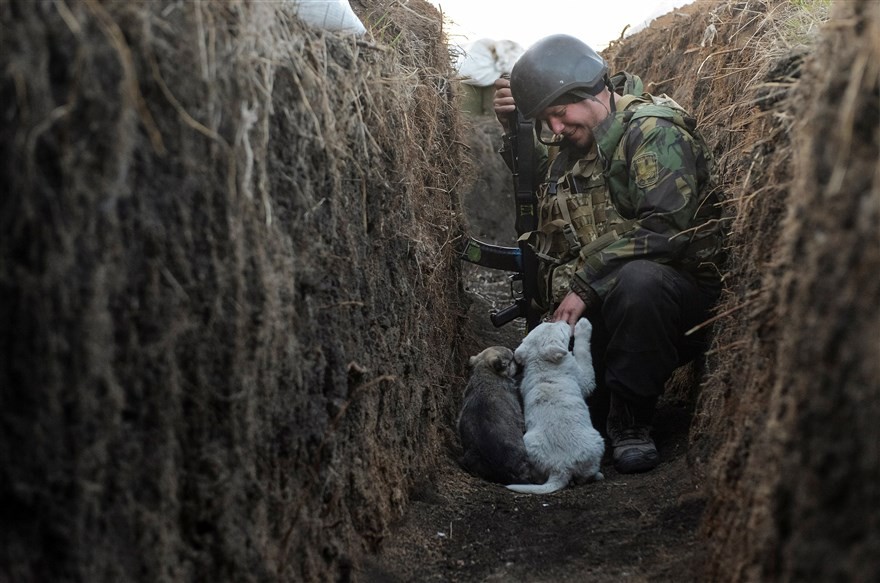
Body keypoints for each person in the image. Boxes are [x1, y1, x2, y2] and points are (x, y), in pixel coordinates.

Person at [492, 34, 725, 474]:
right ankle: (606, 403)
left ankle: (632, 423)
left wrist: (584, 285)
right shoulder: (580, 144)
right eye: (548, 121)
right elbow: (549, 194)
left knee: (641, 281)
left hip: (671, 305)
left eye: (560, 114)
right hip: (608, 311)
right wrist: (516, 131)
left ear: (591, 91)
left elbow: (667, 230)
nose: (556, 129)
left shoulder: (652, 132)